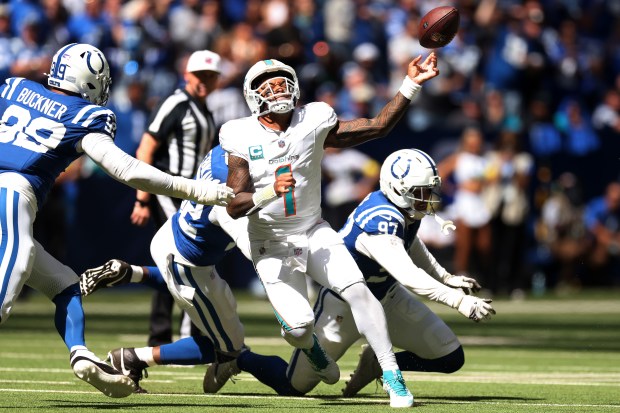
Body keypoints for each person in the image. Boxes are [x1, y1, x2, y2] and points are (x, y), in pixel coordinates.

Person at [0, 43, 232, 398]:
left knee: (65, 285)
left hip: (11, 202)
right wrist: (199, 190)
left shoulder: (15, 88)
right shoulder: (85, 116)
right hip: (11, 195)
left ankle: (81, 355)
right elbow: (128, 170)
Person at [219, 54, 439, 408]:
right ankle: (313, 351)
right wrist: (268, 190)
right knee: (299, 328)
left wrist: (411, 83)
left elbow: (377, 126)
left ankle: (392, 375)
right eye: (269, 85)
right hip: (270, 243)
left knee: (358, 292)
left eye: (282, 82)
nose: (278, 89)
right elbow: (233, 204)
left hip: (313, 230)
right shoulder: (239, 134)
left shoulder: (314, 119)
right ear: (253, 95)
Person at [218, 148, 495, 398]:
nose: (427, 199)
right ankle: (240, 358)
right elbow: (408, 273)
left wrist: (446, 277)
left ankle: (379, 364)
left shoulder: (402, 211)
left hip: (388, 297)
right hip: (345, 306)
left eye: (428, 191)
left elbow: (412, 245)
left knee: (450, 357)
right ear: (398, 189)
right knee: (293, 386)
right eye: (420, 192)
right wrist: (459, 300)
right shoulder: (381, 221)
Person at [79, 145, 252, 393]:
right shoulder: (234, 183)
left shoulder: (221, 151)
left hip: (174, 236)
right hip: (190, 260)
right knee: (231, 348)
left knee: (208, 307)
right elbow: (244, 225)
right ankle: (133, 358)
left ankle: (132, 273)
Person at [129, 49, 221, 347]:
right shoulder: (176, 103)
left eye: (211, 76)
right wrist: (142, 198)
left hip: (192, 196)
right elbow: (145, 149)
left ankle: (175, 334)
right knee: (181, 258)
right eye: (200, 75)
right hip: (169, 190)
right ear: (187, 75)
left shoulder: (204, 110)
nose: (205, 81)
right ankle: (183, 335)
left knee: (175, 262)